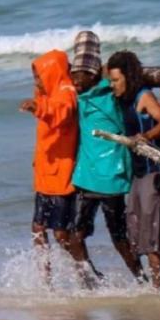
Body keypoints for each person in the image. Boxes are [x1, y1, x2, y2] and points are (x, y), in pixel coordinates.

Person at [106, 50, 160, 288]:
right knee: (137, 241)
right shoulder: (122, 100)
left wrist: (146, 136)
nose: (112, 85)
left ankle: (158, 294)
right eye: (111, 80)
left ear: (128, 78)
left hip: (156, 172)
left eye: (116, 80)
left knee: (153, 243)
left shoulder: (143, 96)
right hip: (138, 175)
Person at [67, 34, 140, 283]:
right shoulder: (80, 94)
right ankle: (91, 281)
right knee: (74, 237)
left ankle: (143, 280)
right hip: (87, 177)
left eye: (81, 74)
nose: (75, 80)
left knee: (119, 238)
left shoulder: (111, 96)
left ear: (94, 74)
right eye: (73, 74)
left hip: (110, 179)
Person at [21, 49, 83, 285]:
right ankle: (45, 281)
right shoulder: (47, 94)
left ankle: (84, 273)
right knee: (38, 228)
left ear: (52, 72)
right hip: (46, 175)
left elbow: (63, 114)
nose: (36, 81)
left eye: (39, 76)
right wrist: (39, 103)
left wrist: (40, 108)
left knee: (61, 234)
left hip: (62, 177)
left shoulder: (66, 92)